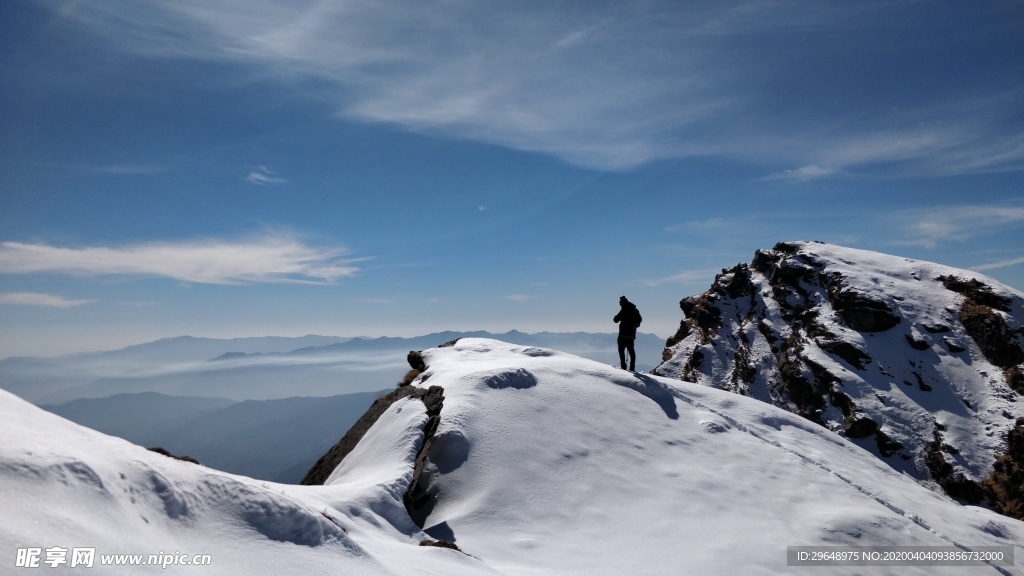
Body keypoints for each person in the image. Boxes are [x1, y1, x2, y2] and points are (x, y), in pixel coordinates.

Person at [613, 295, 642, 371]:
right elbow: (639, 320)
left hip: (622, 335)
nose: (619, 304)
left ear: (622, 303)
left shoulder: (623, 310)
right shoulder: (634, 310)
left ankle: (623, 366)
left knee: (621, 350)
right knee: (631, 351)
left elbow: (615, 320)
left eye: (620, 302)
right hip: (631, 335)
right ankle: (632, 367)